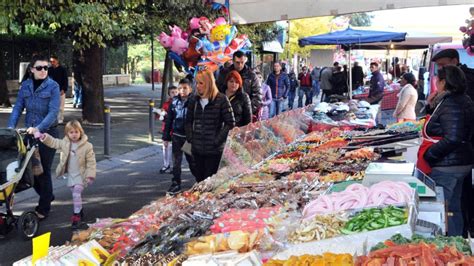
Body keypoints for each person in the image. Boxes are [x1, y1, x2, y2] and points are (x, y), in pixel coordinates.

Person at [420, 66, 474, 236]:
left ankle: (447, 249)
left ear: (444, 82)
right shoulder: (462, 99)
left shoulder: (451, 102)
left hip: (447, 165)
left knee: (441, 208)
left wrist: (430, 155)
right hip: (460, 162)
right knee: (454, 207)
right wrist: (430, 107)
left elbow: (453, 137)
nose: (435, 82)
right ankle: (458, 244)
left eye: (437, 79)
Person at [7, 55, 60, 220]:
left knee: (43, 171)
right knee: (30, 171)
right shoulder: (26, 86)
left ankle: (44, 208)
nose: (43, 70)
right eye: (39, 68)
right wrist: (10, 128)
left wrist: (39, 128)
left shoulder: (53, 86)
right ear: (31, 70)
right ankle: (47, 195)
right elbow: (18, 108)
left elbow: (53, 112)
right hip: (29, 134)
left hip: (47, 134)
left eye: (46, 68)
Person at [34, 120, 96, 229]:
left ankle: (76, 215)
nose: (74, 134)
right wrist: (43, 137)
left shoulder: (87, 146)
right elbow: (54, 142)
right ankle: (79, 210)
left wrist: (90, 175)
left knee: (76, 193)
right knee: (75, 194)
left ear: (81, 132)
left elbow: (91, 161)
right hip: (71, 176)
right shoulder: (65, 143)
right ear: (67, 133)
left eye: (76, 132)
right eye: (71, 132)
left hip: (82, 175)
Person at [186, 70, 235, 182]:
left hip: (214, 151)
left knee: (210, 182)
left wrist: (217, 141)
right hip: (197, 149)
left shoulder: (221, 99)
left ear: (208, 83)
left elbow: (230, 123)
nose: (197, 86)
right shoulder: (194, 100)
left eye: (201, 83)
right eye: (196, 83)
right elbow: (188, 121)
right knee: (199, 181)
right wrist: (190, 138)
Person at [163, 79, 195, 194]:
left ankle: (200, 180)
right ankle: (176, 183)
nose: (182, 91)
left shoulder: (194, 101)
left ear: (190, 89)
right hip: (176, 136)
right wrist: (166, 137)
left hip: (189, 138)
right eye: (180, 88)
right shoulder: (174, 102)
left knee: (192, 161)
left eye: (185, 88)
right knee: (176, 163)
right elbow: (169, 120)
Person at [216, 51, 262, 115]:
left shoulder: (251, 75)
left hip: (244, 112)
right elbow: (218, 90)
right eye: (237, 62)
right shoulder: (224, 73)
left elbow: (258, 96)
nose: (240, 65)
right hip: (225, 110)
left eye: (242, 62)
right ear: (233, 61)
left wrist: (247, 110)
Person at [158, 86, 179, 174]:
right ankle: (166, 164)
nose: (174, 94)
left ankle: (174, 166)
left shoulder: (180, 103)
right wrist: (161, 114)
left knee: (174, 148)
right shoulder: (166, 104)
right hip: (166, 128)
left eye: (175, 92)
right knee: (165, 146)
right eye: (172, 92)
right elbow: (161, 114)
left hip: (176, 128)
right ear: (169, 94)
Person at [48, 55, 68, 124]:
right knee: (51, 106)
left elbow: (65, 80)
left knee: (61, 106)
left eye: (53, 61)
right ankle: (52, 119)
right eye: (51, 61)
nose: (52, 63)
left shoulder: (62, 69)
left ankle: (60, 119)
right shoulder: (49, 70)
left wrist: (64, 89)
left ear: (57, 61)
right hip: (51, 91)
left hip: (60, 90)